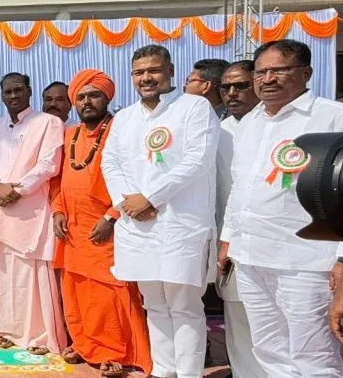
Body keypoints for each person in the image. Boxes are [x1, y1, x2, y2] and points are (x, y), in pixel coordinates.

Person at [220, 39, 343, 376]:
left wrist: (342, 258)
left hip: (306, 261)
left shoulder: (333, 118)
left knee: (314, 355)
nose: (268, 78)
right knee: (269, 349)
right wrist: (228, 238)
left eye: (279, 70)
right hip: (250, 257)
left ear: (306, 72)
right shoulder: (249, 123)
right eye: (261, 72)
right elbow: (240, 186)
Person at [100, 44, 220, 378]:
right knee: (154, 304)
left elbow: (197, 160)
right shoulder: (124, 117)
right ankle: (163, 370)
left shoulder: (194, 108)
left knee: (184, 305)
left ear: (170, 71)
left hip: (181, 222)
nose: (146, 78)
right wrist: (130, 201)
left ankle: (189, 373)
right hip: (137, 225)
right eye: (139, 72)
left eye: (153, 70)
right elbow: (110, 163)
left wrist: (150, 198)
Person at [52, 69, 152, 377]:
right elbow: (59, 181)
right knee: (76, 291)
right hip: (73, 227)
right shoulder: (70, 134)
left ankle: (115, 352)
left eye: (94, 95)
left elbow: (136, 180)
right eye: (81, 96)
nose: (87, 101)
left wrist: (111, 216)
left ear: (107, 97)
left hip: (109, 225)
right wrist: (57, 210)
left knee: (109, 294)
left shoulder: (121, 130)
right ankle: (85, 344)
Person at [0, 73, 65, 355]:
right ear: (1, 95)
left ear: (29, 91)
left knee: (32, 272)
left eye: (18, 90)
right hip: (0, 207)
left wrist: (20, 189)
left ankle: (39, 336)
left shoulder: (48, 123)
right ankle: (4, 329)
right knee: (1, 271)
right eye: (7, 91)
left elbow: (49, 163)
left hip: (31, 207)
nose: (13, 96)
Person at [212, 60, 264, 378]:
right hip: (226, 241)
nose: (232, 93)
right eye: (226, 88)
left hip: (271, 243)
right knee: (235, 313)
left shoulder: (275, 127)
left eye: (241, 86)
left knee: (271, 320)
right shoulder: (218, 131)